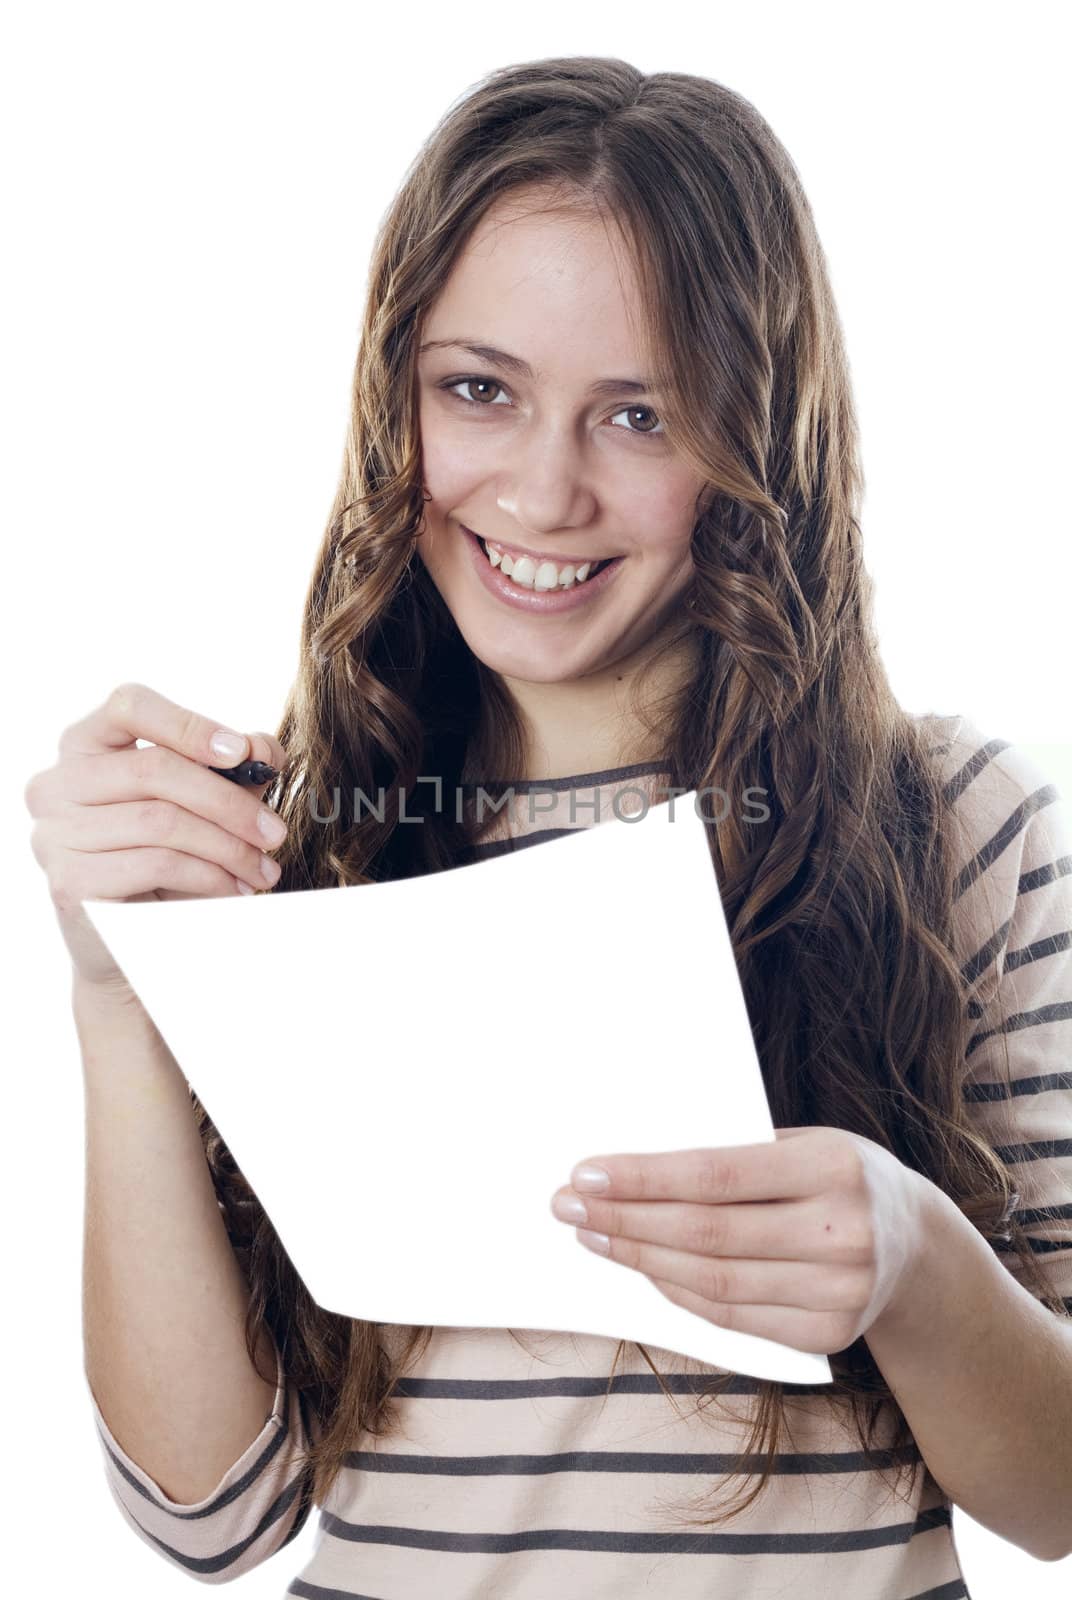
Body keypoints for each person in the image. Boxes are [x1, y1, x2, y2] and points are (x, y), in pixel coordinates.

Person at [24, 54, 1072, 1599]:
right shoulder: (293, 839)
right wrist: (117, 996)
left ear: (754, 443)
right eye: (480, 390)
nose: (542, 490)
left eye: (639, 415)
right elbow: (209, 1518)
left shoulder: (952, 829)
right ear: (399, 398)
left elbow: (1058, 1499)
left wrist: (910, 1261)